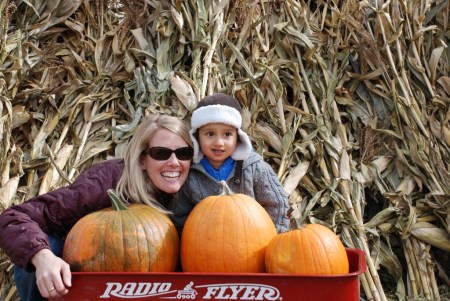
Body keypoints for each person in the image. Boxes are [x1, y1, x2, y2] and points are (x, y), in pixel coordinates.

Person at [0, 114, 193, 301]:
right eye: (161, 153)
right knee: (42, 249)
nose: (174, 163)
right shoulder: (106, 182)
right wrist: (42, 257)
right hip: (92, 277)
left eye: (184, 154)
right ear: (142, 159)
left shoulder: (197, 188)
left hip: (160, 285)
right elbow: (15, 217)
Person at [171, 93, 289, 235]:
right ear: (197, 138)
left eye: (227, 134)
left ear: (238, 139)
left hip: (253, 242)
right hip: (207, 245)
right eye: (210, 134)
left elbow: (277, 204)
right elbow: (179, 216)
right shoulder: (192, 176)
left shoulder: (253, 168)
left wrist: (274, 239)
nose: (219, 142)